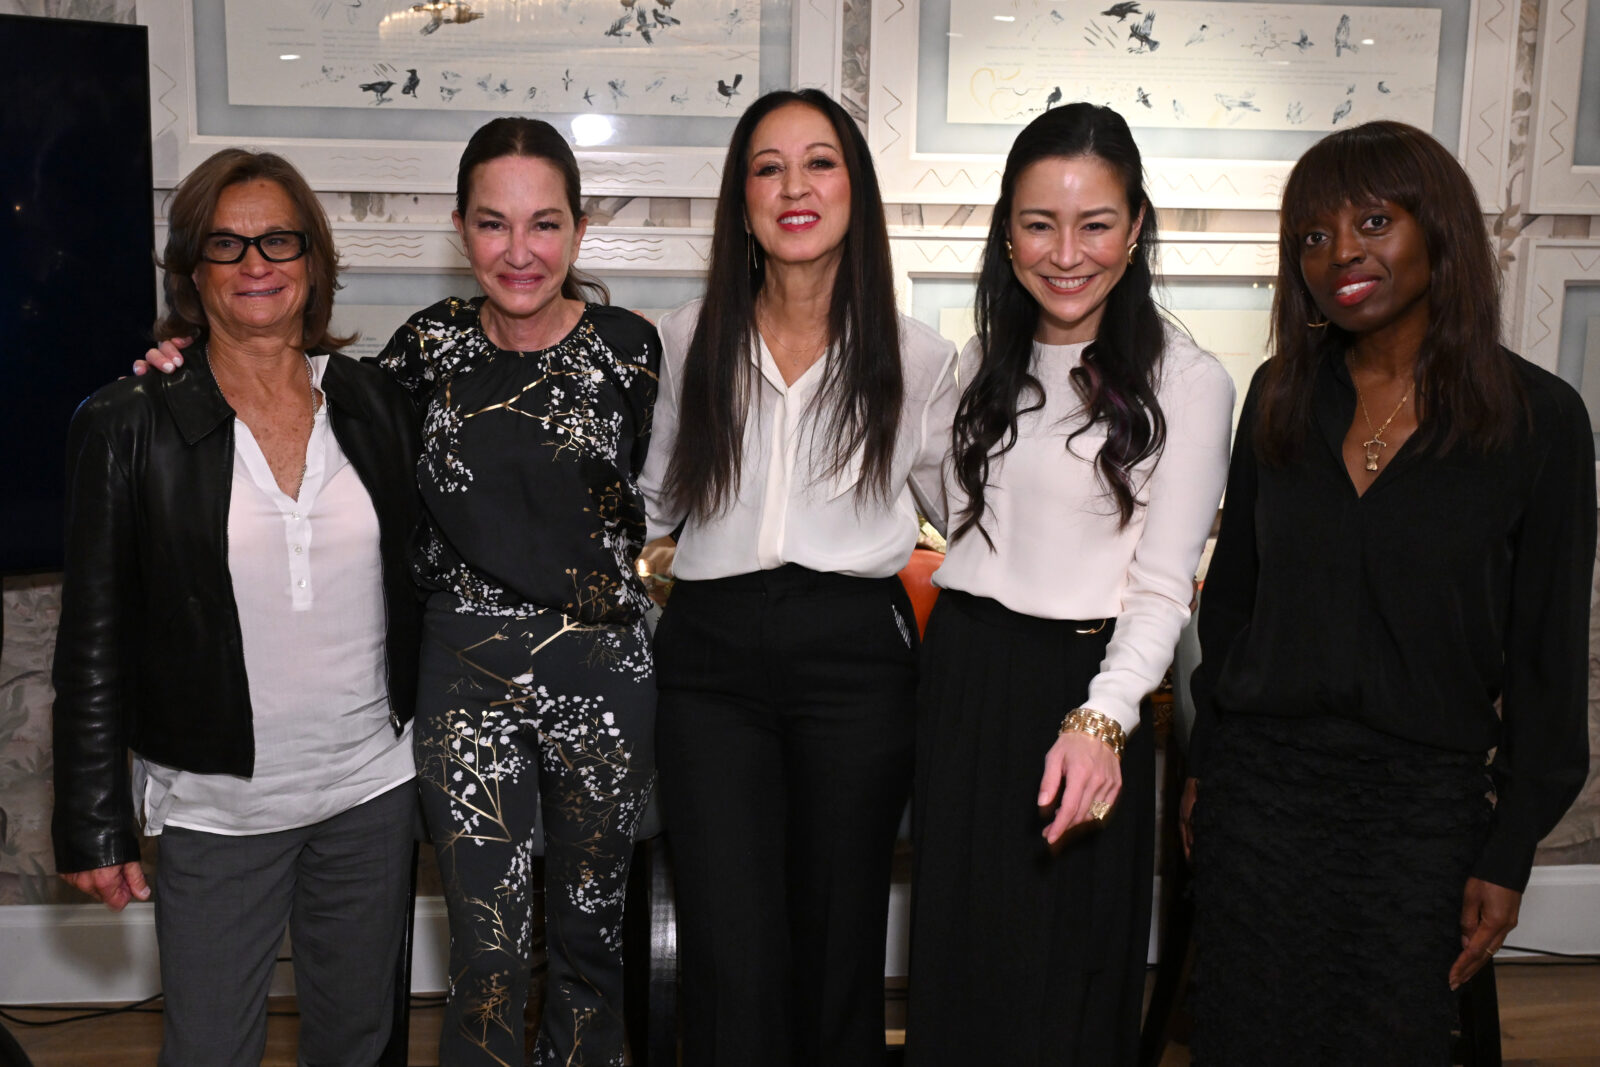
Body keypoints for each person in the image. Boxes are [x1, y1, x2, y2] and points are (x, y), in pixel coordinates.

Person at [141, 118, 661, 1066]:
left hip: (603, 679)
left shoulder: (635, 350)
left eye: (545, 224)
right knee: (489, 951)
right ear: (461, 230)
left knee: (594, 944)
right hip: (466, 677)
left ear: (579, 231)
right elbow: (288, 398)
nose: (520, 251)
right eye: (494, 224)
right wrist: (177, 359)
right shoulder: (422, 353)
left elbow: (655, 504)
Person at [1184, 120, 1595, 1063]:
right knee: (1248, 1036)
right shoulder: (1281, 393)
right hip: (1262, 790)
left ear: (1437, 229)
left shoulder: (1539, 422)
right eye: (1314, 236)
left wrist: (1511, 846)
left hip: (1422, 805)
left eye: (1374, 219)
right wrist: (1208, 763)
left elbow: (1546, 658)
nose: (1341, 254)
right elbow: (1234, 605)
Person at [52, 147, 423, 1066]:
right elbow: (92, 640)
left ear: (313, 263)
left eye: (278, 241)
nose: (256, 263)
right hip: (220, 810)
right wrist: (91, 818)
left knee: (360, 1042)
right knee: (209, 1048)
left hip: (370, 792)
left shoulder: (376, 403)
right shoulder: (127, 423)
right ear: (191, 272)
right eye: (226, 244)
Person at [906, 103, 1234, 1066]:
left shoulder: (1190, 379)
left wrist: (1104, 718)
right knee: (959, 961)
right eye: (1039, 223)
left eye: (1095, 224)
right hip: (964, 673)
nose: (1066, 253)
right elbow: (946, 507)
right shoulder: (976, 365)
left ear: (1136, 229)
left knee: (1064, 971)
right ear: (1007, 231)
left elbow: (1165, 586)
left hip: (1088, 691)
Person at [638, 88, 958, 1066]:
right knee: (727, 941)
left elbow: (979, 521)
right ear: (742, 202)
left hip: (856, 658)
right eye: (768, 167)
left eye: (819, 162)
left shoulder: (916, 355)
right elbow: (646, 509)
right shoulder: (686, 339)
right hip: (710, 659)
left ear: (854, 188)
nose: (794, 186)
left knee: (838, 935)